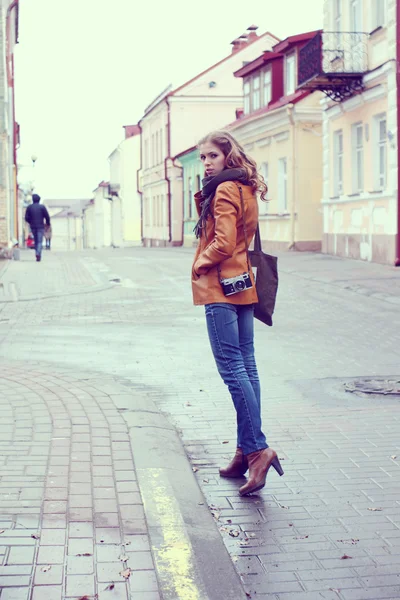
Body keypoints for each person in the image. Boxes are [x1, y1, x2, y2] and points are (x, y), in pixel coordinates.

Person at [191, 130, 284, 496]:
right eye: (203, 158)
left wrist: (202, 260)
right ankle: (245, 451)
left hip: (219, 285)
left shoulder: (225, 189)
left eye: (212, 155)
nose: (207, 162)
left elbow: (225, 241)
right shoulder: (244, 186)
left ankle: (258, 449)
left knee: (233, 369)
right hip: (242, 283)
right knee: (247, 365)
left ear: (228, 155)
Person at [25, 193, 50, 262]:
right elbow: (47, 216)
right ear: (39, 200)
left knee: (36, 241)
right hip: (40, 226)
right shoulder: (42, 207)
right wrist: (48, 223)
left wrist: (31, 222)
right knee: (39, 241)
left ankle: (37, 253)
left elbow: (26, 218)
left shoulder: (29, 207)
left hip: (33, 227)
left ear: (33, 200)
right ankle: (38, 253)